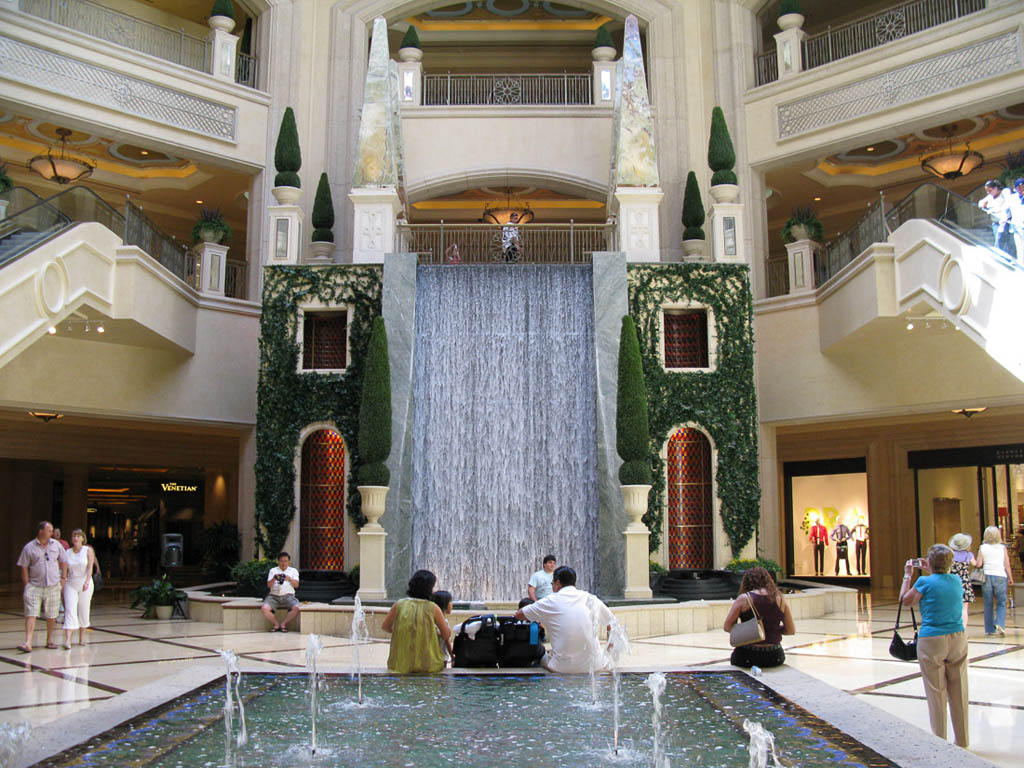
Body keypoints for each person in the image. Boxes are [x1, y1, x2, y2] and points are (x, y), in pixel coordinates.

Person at [899, 544, 968, 748]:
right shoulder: (956, 580)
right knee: (959, 689)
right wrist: (935, 567)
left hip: (932, 640)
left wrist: (907, 576)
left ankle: (940, 741)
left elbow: (906, 601)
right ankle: (962, 740)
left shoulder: (924, 582)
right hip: (958, 637)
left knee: (936, 691)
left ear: (928, 563)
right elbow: (942, 578)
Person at [514, 565, 614, 674]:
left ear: (557, 583)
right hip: (595, 665)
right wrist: (608, 650)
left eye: (552, 583)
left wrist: (542, 617)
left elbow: (519, 615)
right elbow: (612, 624)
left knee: (542, 655)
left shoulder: (550, 601)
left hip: (562, 668)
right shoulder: (591, 598)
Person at [722, 566, 795, 669]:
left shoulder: (744, 599)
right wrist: (773, 630)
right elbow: (791, 630)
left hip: (748, 655)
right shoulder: (780, 599)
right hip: (775, 655)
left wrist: (751, 631)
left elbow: (727, 627)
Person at [383, 569, 452, 673]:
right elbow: (446, 635)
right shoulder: (433, 608)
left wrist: (405, 630)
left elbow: (385, 627)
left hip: (400, 663)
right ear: (429, 588)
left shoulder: (399, 605)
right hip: (428, 664)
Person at [16, 521, 68, 653]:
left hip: (53, 585)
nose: (51, 532)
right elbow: (24, 566)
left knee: (52, 614)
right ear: (41, 532)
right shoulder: (29, 547)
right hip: (34, 585)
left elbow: (64, 560)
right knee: (31, 614)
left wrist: (63, 578)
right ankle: (28, 642)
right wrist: (27, 584)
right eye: (49, 530)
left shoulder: (56, 545)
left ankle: (49, 640)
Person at [975, 525, 1013, 636]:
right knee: (1001, 602)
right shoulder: (1002, 548)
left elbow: (979, 564)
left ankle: (989, 629)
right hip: (1000, 575)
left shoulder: (982, 548)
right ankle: (1000, 623)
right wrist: (1010, 578)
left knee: (988, 603)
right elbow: (1007, 565)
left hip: (986, 576)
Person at [62, 529, 97, 649]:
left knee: (83, 608)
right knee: (70, 609)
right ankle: (67, 639)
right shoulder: (67, 552)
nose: (75, 538)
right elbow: (64, 570)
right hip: (71, 583)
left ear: (83, 538)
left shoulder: (88, 550)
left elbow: (90, 567)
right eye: (74, 536)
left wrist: (87, 580)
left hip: (84, 583)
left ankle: (82, 637)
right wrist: (63, 582)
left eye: (78, 536)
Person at [261, 552, 300, 632]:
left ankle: (283, 624)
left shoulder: (293, 571)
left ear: (289, 562)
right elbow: (269, 585)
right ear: (278, 561)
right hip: (273, 596)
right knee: (264, 608)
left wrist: (289, 579)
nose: (283, 563)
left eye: (286, 561)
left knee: (296, 608)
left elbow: (296, 585)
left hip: (288, 596)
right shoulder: (273, 570)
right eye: (281, 561)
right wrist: (275, 578)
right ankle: (276, 624)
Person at [977, 179, 1014, 255]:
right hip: (996, 223)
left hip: (1006, 221)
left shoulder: (1004, 192)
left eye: (990, 190)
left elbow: (1007, 204)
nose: (988, 193)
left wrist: (994, 209)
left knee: (1009, 242)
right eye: (987, 191)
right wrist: (984, 204)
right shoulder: (990, 197)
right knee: (999, 241)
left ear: (995, 188)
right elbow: (980, 203)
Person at [947, 533, 976, 629]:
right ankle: (963, 628)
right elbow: (976, 564)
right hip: (965, 583)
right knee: (964, 609)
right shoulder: (968, 555)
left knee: (952, 607)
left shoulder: (950, 555)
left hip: (952, 583)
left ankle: (953, 627)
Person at [430, 590, 455, 666]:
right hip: (441, 657)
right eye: (450, 601)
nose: (452, 604)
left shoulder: (431, 621)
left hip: (431, 656)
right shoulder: (443, 623)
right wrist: (452, 656)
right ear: (444, 604)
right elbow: (447, 640)